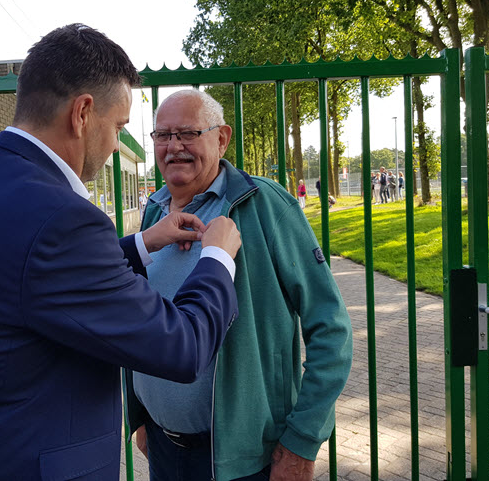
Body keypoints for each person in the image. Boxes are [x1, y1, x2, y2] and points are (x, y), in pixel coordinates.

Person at [0, 25, 243, 481]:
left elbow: (26, 281)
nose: (117, 143)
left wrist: (143, 243)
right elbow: (182, 347)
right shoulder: (61, 217)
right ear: (83, 113)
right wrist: (217, 257)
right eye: (119, 126)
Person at [125, 90, 352, 481]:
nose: (173, 147)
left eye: (188, 133)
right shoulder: (154, 210)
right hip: (163, 447)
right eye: (162, 135)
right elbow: (136, 319)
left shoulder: (263, 204)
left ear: (222, 138)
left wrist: (302, 439)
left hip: (244, 459)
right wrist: (138, 416)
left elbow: (330, 328)